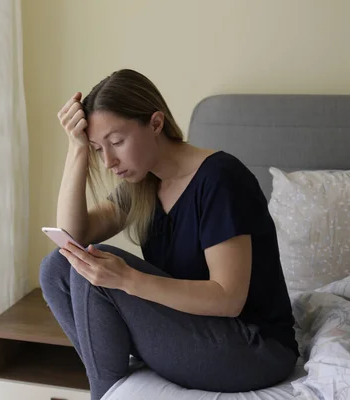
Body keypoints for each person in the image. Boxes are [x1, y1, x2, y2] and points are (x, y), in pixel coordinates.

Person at [39, 69, 299, 400]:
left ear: (156, 123)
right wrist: (76, 149)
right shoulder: (144, 184)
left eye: (117, 142)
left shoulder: (221, 179)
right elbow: (72, 237)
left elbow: (229, 298)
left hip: (253, 347)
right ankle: (107, 385)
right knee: (56, 268)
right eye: (98, 148)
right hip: (194, 331)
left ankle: (102, 393)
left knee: (100, 270)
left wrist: (127, 279)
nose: (108, 161)